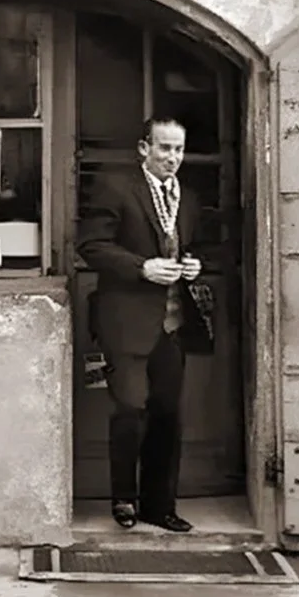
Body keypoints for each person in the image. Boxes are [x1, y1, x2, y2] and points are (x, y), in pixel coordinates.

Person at [76, 115, 212, 533]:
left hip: (171, 325)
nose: (172, 157)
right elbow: (91, 245)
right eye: (164, 148)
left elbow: (198, 246)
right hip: (125, 322)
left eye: (178, 149)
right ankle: (124, 499)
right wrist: (141, 268)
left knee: (168, 415)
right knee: (130, 409)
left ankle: (160, 505)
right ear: (144, 149)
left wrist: (194, 264)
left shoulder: (187, 198)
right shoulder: (116, 188)